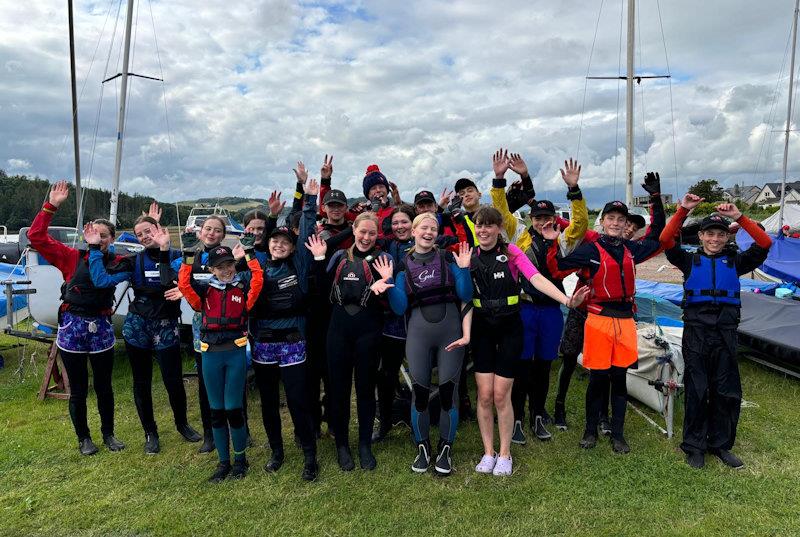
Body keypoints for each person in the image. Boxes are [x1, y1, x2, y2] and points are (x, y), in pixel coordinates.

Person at [469, 206, 587, 476]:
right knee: (484, 395)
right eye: (479, 225)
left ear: (500, 228)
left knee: (501, 395)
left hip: (511, 328)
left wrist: (566, 299)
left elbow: (537, 278)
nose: (483, 230)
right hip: (482, 330)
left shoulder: (511, 252)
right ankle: (488, 452)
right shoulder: (470, 256)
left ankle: (506, 454)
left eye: (489, 225)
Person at [555, 173, 664, 454]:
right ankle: (590, 430)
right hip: (600, 321)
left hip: (625, 321)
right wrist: (553, 242)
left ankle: (617, 433)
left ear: (626, 225)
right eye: (611, 218)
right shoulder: (591, 250)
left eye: (621, 220)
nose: (616, 223)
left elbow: (657, 235)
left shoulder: (632, 250)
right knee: (598, 378)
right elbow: (560, 266)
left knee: (619, 379)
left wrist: (655, 198)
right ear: (603, 222)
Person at [660, 196, 771, 469]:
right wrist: (684, 210)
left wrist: (739, 216)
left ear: (726, 237)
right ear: (701, 236)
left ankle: (720, 444)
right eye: (710, 233)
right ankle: (694, 445)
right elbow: (665, 240)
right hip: (697, 332)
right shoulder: (688, 261)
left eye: (721, 234)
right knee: (698, 389)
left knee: (726, 390)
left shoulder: (737, 262)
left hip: (726, 331)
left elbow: (765, 243)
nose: (715, 239)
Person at [491, 155, 587, 444]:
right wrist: (499, 180)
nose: (543, 221)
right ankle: (517, 417)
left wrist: (575, 190)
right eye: (538, 218)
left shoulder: (564, 241)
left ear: (554, 219)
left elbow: (581, 223)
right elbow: (501, 212)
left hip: (550, 312)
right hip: (524, 309)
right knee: (521, 364)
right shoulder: (519, 236)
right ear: (531, 220)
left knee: (544, 364)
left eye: (547, 217)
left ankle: (537, 413)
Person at [87, 214, 202, 454]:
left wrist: (166, 250)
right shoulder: (133, 262)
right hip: (138, 326)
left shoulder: (176, 257)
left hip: (166, 325)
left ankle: (182, 424)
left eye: (148, 231)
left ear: (159, 229)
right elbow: (100, 281)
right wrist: (95, 249)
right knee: (142, 382)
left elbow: (170, 280)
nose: (144, 237)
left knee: (173, 380)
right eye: (139, 234)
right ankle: (150, 432)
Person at [28, 180, 128, 455]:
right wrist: (52, 206)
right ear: (86, 236)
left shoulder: (118, 263)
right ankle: (84, 438)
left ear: (113, 239)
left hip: (102, 329)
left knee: (104, 385)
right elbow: (36, 238)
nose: (98, 239)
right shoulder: (71, 258)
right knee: (79, 387)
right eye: (94, 234)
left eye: (104, 235)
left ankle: (109, 434)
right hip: (73, 327)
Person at [385, 213, 474, 474]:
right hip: (418, 335)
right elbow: (400, 307)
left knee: (449, 392)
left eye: (433, 228)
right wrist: (390, 284)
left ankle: (446, 448)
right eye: (424, 227)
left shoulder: (448, 258)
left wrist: (465, 269)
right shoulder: (403, 265)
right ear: (413, 231)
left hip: (450, 332)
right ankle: (423, 447)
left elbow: (465, 294)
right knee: (420, 393)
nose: (429, 232)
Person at [249, 179, 320, 481]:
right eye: (274, 241)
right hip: (264, 343)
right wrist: (271, 215)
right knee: (267, 401)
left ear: (293, 247)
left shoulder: (299, 265)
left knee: (296, 399)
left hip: (292, 342)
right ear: (268, 244)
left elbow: (305, 226)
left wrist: (310, 199)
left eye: (285, 242)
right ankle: (276, 451)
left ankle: (309, 455)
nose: (278, 244)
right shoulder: (258, 265)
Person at [178, 237, 263, 482]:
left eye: (229, 265)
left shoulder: (243, 290)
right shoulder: (204, 294)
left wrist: (249, 253)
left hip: (235, 353)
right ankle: (223, 462)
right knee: (216, 411)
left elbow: (258, 280)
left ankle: (240, 460)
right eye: (220, 266)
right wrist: (186, 258)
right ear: (212, 270)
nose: (226, 270)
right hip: (210, 355)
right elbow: (185, 286)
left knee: (233, 409)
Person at [324, 212, 394, 471]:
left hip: (369, 332)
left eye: (372, 233)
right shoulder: (338, 257)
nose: (366, 237)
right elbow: (321, 288)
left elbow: (392, 297)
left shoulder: (384, 259)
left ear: (378, 235)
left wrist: (383, 285)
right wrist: (319, 258)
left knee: (365, 389)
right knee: (339, 390)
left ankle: (364, 444)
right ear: (353, 229)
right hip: (338, 332)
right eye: (362, 231)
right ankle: (342, 445)